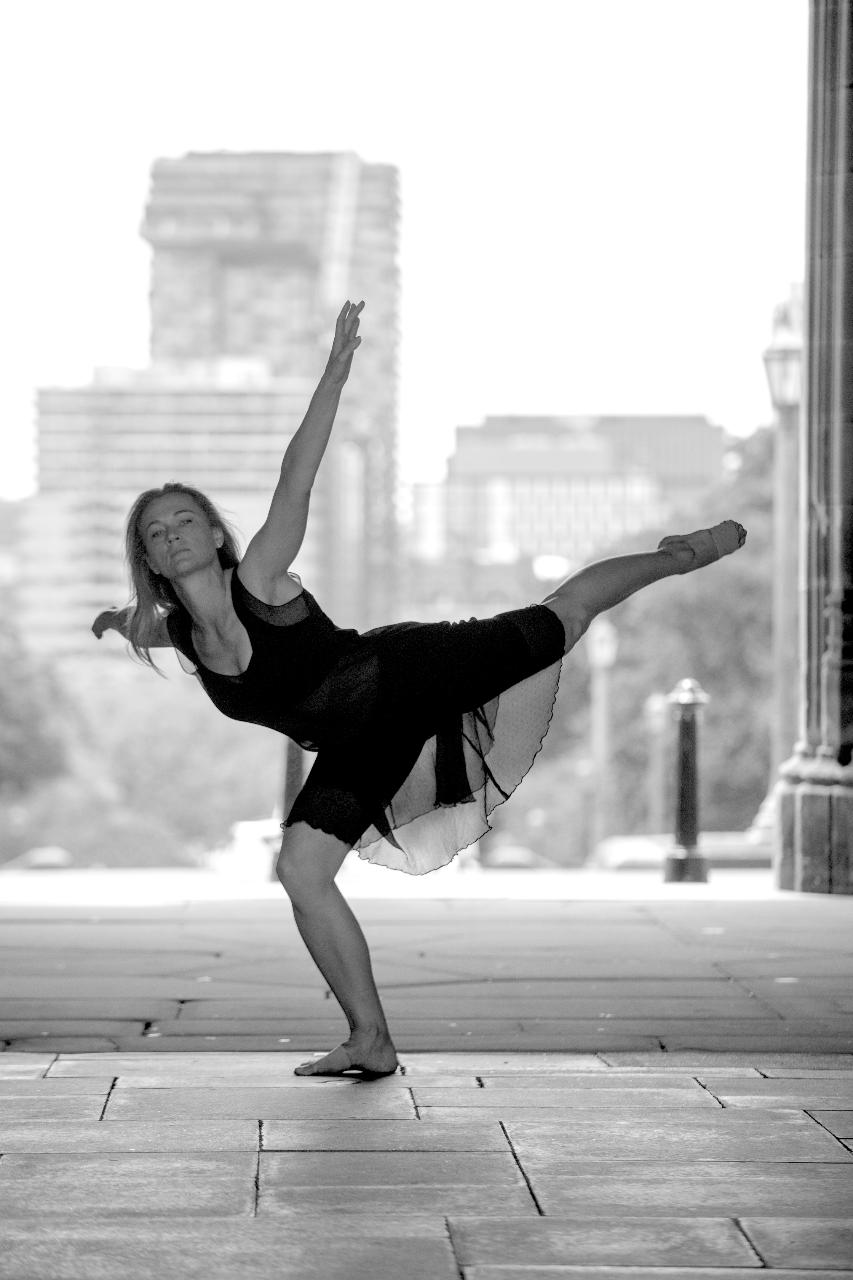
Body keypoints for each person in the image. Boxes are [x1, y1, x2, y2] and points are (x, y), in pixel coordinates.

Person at [93, 300, 746, 1078]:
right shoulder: (182, 635)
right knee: (301, 872)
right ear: (154, 563)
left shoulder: (261, 575)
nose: (173, 535)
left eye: (184, 520)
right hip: (357, 742)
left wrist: (334, 371)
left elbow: (295, 475)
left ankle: (676, 556)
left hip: (404, 672)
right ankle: (370, 1039)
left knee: (561, 618)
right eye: (157, 534)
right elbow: (151, 627)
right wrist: (116, 621)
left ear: (212, 533)